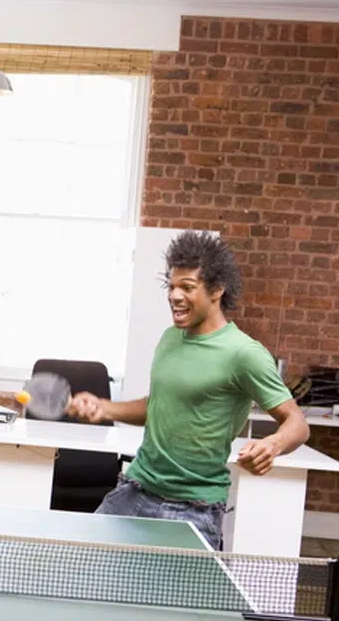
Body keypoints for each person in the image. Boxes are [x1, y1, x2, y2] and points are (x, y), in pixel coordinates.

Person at [67, 230, 309, 551]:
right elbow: (160, 405)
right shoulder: (170, 338)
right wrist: (105, 408)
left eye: (187, 287)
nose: (174, 296)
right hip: (135, 489)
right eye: (171, 286)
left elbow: (297, 423)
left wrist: (273, 445)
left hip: (192, 509)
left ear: (217, 290)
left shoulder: (244, 354)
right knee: (77, 569)